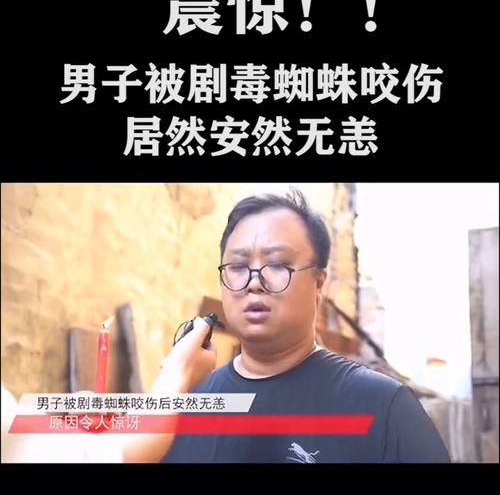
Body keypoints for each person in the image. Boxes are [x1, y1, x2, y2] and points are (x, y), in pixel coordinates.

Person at [123, 189, 450, 464]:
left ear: (319, 282)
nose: (254, 282)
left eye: (278, 264)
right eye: (237, 266)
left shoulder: (383, 406)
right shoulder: (180, 409)